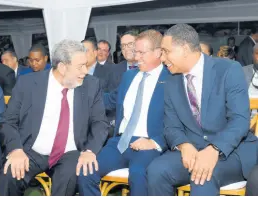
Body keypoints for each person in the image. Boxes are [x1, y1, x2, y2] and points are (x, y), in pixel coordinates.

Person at [147, 24, 258, 196]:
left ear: (184, 49)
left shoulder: (228, 70)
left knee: (203, 175)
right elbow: (171, 126)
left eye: (166, 51)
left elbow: (240, 120)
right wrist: (184, 145)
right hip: (192, 150)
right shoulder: (170, 81)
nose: (162, 58)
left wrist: (214, 149)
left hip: (231, 151)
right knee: (156, 170)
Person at [0, 39, 109, 195]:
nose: (85, 71)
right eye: (80, 66)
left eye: (86, 65)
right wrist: (15, 149)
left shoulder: (91, 85)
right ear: (63, 67)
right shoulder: (28, 84)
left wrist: (90, 151)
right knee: (9, 173)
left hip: (70, 151)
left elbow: (100, 123)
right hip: (31, 150)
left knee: (68, 178)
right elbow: (8, 122)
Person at [78, 30, 168, 196]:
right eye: (135, 52)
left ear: (158, 52)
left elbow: (180, 120)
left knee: (138, 174)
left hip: (149, 144)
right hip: (120, 142)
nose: (137, 56)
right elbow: (110, 99)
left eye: (141, 52)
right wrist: (79, 94)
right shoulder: (129, 76)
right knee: (86, 169)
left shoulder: (171, 79)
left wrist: (156, 142)